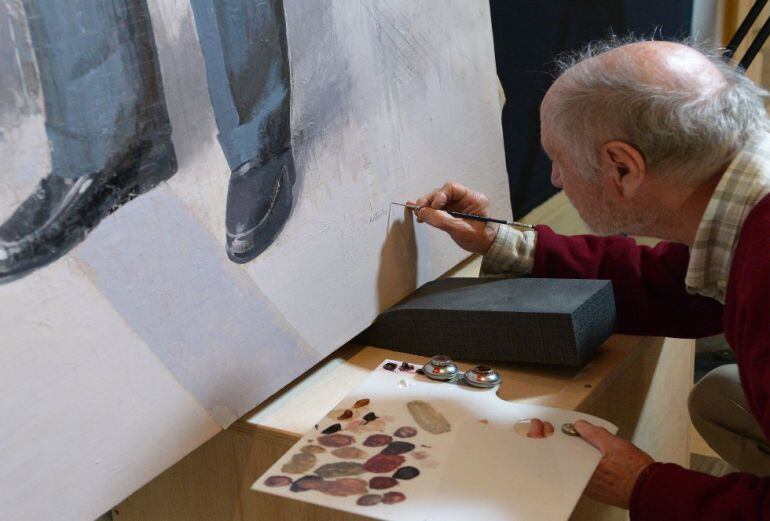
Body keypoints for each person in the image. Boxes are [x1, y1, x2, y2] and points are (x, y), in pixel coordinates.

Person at [410, 38, 770, 519]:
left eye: (559, 160)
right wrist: (500, 240)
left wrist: (643, 485)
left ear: (623, 167)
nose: (557, 179)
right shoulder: (745, 200)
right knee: (722, 398)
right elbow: (668, 283)